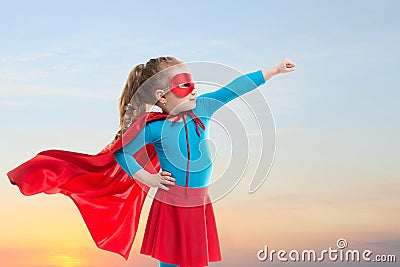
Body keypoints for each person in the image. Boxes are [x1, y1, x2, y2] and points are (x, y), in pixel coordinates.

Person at [7, 56, 295, 267]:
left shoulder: (205, 108)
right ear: (162, 96)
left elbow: (235, 88)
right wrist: (147, 177)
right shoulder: (153, 128)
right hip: (170, 205)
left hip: (198, 203)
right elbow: (124, 153)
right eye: (183, 85)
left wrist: (273, 71)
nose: (194, 89)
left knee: (196, 261)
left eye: (192, 82)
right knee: (170, 261)